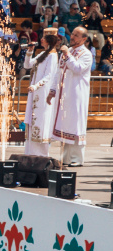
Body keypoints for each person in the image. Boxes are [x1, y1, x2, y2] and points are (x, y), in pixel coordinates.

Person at [49, 27, 93, 166]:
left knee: (75, 124)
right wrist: (52, 90)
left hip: (76, 94)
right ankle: (66, 157)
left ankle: (77, 158)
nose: (72, 36)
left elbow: (78, 68)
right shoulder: (68, 51)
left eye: (76, 35)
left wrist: (67, 54)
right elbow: (58, 71)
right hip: (64, 94)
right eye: (72, 34)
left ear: (84, 39)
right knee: (64, 124)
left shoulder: (86, 54)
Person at [21, 33, 60, 157]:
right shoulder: (44, 54)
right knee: (33, 119)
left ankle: (41, 152)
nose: (41, 39)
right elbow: (27, 65)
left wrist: (36, 85)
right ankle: (31, 151)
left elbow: (49, 75)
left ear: (49, 41)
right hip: (35, 91)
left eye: (43, 38)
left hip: (43, 91)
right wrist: (29, 51)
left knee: (41, 119)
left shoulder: (53, 56)